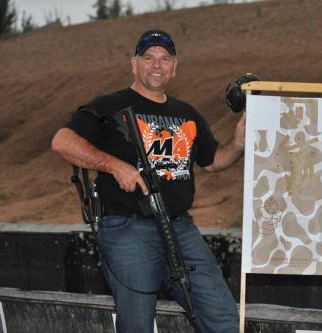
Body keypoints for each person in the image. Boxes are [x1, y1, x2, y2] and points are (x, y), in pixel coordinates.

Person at [51, 29, 243, 333]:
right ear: (134, 64)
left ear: (174, 67)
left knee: (224, 318)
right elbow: (63, 141)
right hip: (129, 230)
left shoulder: (186, 114)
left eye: (165, 58)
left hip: (181, 229)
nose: (157, 64)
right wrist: (115, 166)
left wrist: (238, 143)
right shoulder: (109, 105)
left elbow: (214, 161)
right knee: (137, 325)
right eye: (149, 57)